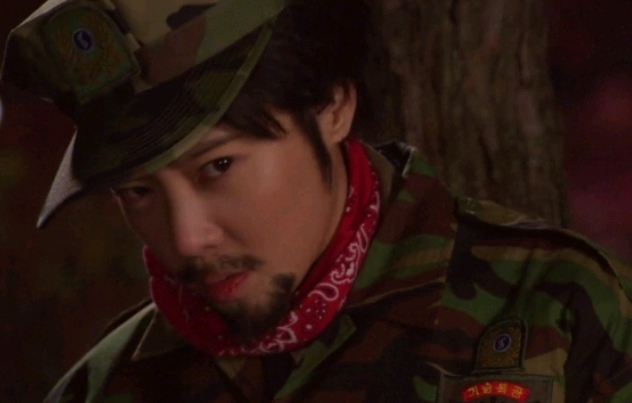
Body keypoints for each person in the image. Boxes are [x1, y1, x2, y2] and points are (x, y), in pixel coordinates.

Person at [2, 0, 632, 402]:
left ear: (332, 106)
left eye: (218, 167)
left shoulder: (564, 311)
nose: (187, 238)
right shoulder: (104, 387)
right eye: (138, 192)